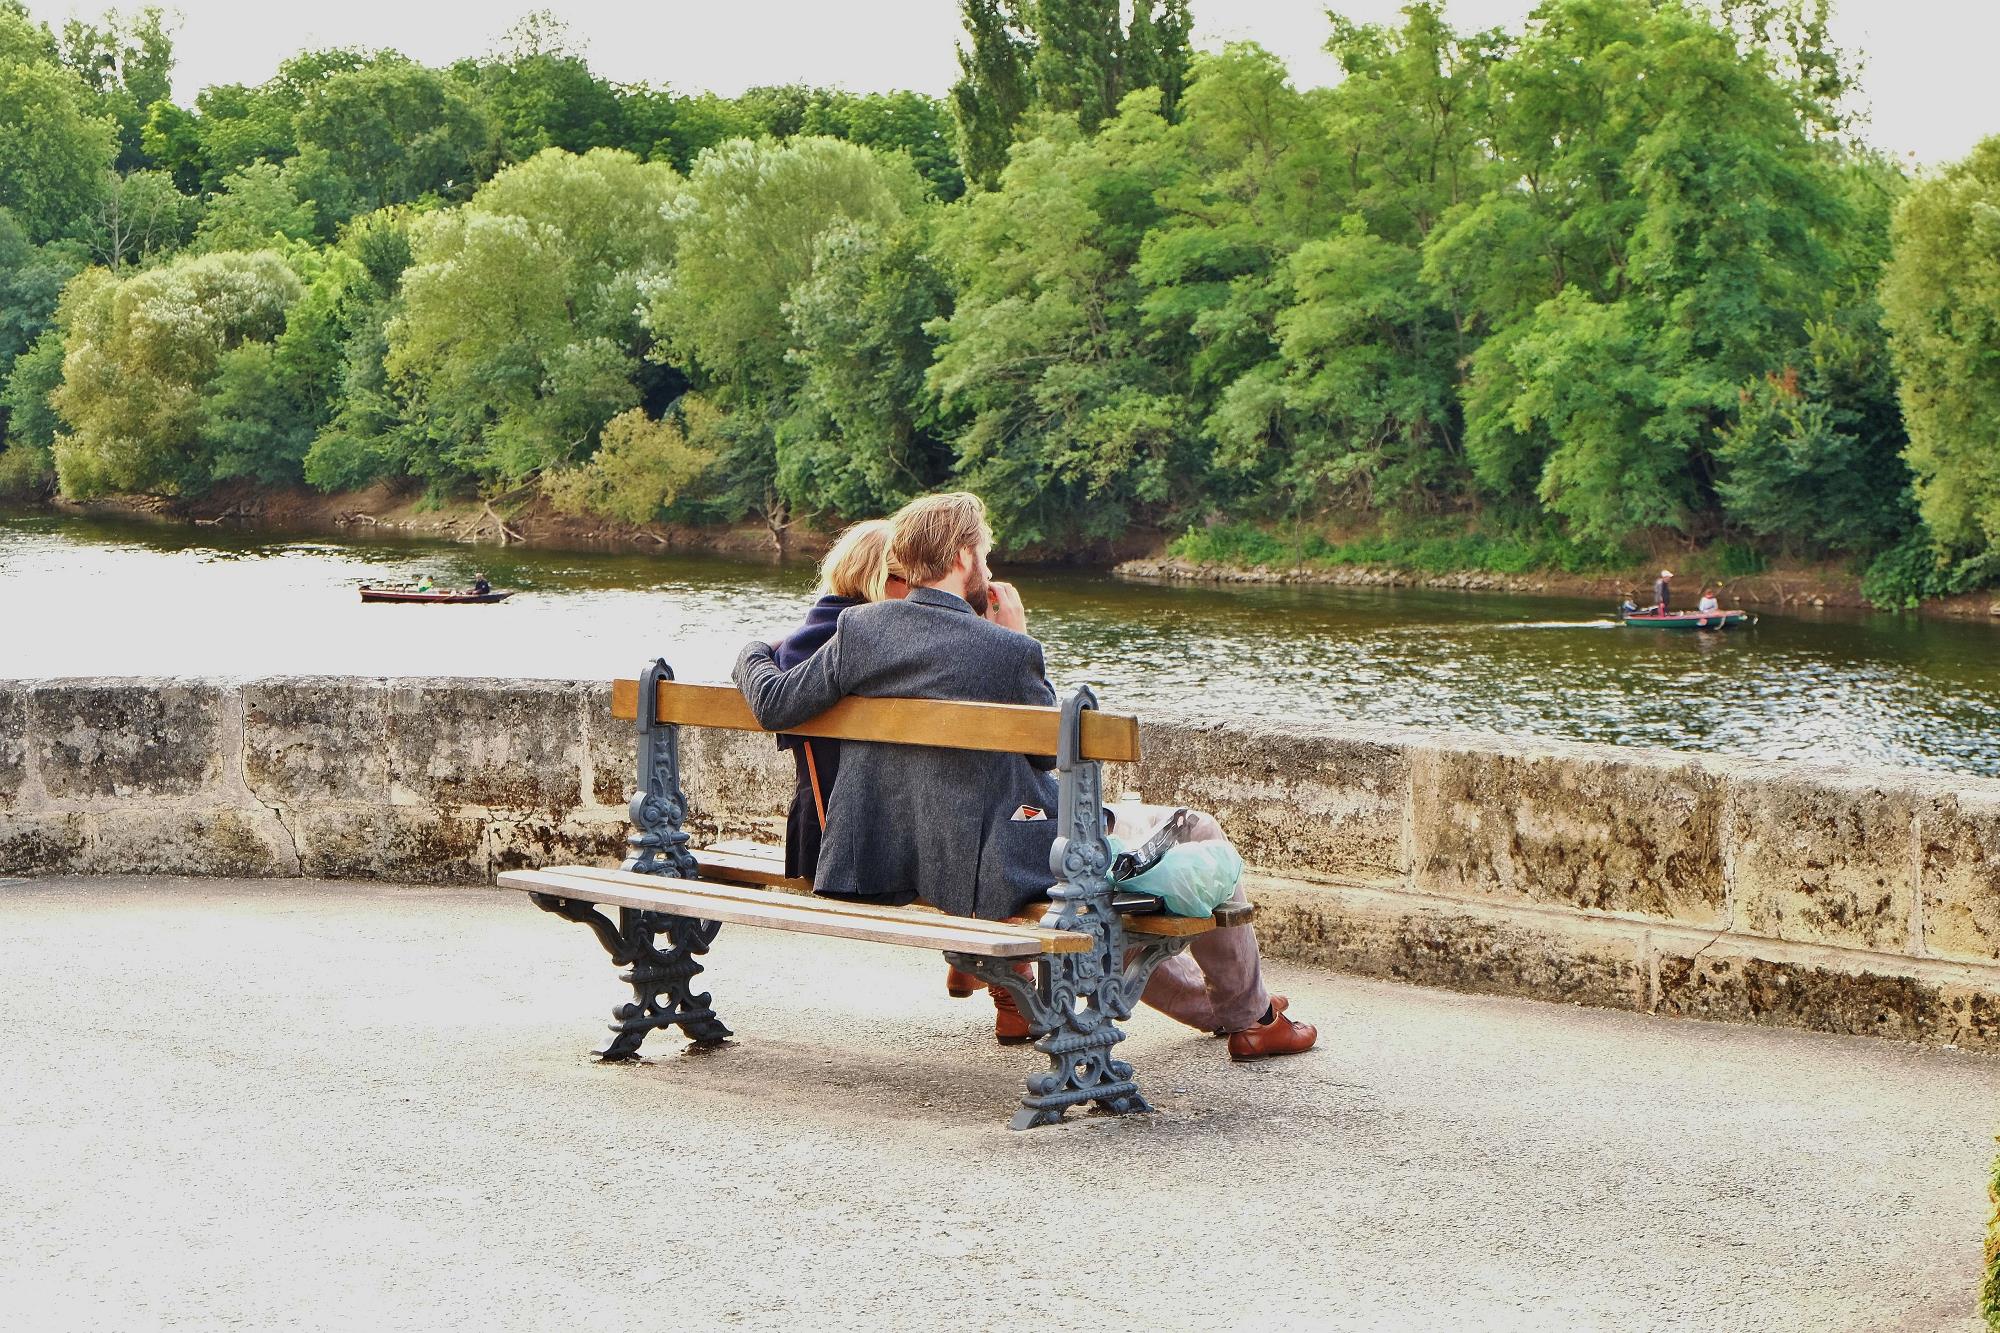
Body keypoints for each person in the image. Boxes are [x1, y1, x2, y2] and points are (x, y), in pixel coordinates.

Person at [732, 492, 1316, 1062]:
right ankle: (1253, 1018)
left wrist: (752, 652)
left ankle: (1230, 1008)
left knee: (1125, 865)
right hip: (1002, 863)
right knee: (1193, 831)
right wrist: (1017, 636)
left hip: (897, 861)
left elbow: (776, 702)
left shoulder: (860, 630)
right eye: (984, 553)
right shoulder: (1008, 650)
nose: (988, 565)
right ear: (963, 558)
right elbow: (1046, 759)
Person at [771, 519, 908, 882]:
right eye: (913, 580)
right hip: (869, 837)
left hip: (816, 823)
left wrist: (758, 650)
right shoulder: (875, 645)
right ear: (883, 580)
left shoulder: (805, 639)